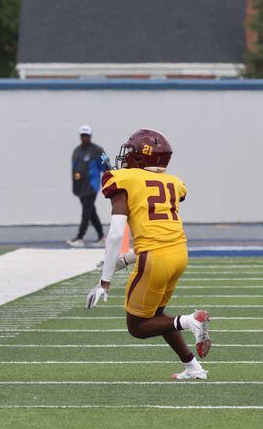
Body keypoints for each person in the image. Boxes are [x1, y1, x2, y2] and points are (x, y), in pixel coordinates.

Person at [86, 129, 211, 380]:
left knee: (139, 327)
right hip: (178, 254)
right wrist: (125, 260)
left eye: (131, 152)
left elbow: (115, 234)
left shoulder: (123, 179)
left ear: (141, 158)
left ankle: (190, 321)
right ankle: (192, 366)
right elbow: (158, 232)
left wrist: (104, 282)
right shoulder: (173, 182)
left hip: (155, 258)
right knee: (157, 316)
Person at [67, 125, 105, 248]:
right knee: (91, 213)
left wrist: (110, 179)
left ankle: (80, 237)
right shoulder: (77, 151)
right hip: (80, 188)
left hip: (91, 187)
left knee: (85, 213)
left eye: (87, 135)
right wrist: (75, 187)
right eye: (82, 135)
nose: (84, 138)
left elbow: (106, 166)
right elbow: (74, 169)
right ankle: (101, 237)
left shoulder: (98, 150)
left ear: (90, 136)